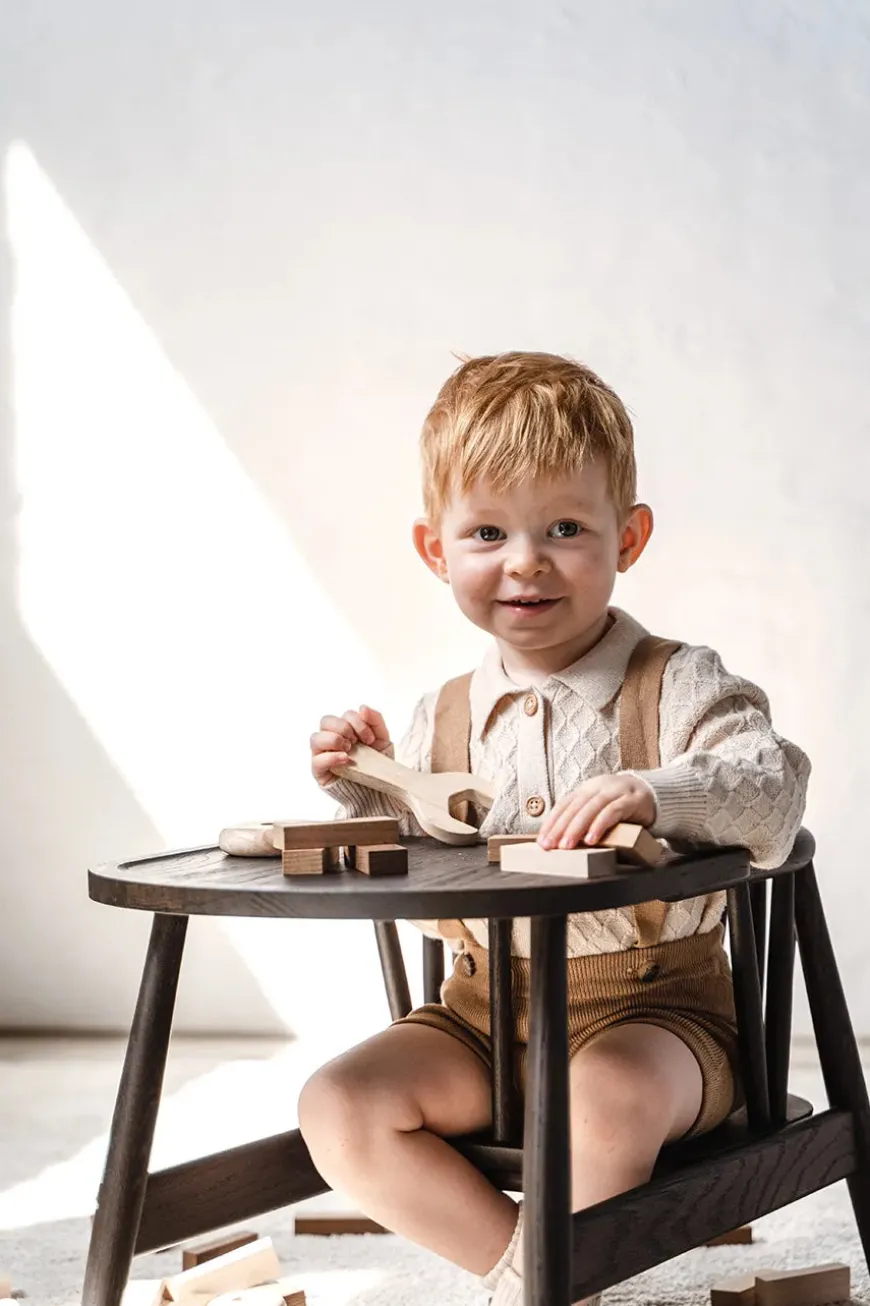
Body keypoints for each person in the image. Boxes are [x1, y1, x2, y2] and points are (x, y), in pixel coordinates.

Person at [298, 351, 810, 1305]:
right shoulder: (441, 712)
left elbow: (774, 785)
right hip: (485, 1015)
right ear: (435, 551)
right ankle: (535, 1282)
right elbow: (432, 846)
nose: (525, 560)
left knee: (603, 1096)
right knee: (339, 1104)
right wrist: (368, 781)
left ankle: (538, 1287)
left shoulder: (677, 684)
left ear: (629, 537)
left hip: (659, 1019)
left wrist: (659, 792)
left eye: (565, 527)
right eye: (487, 531)